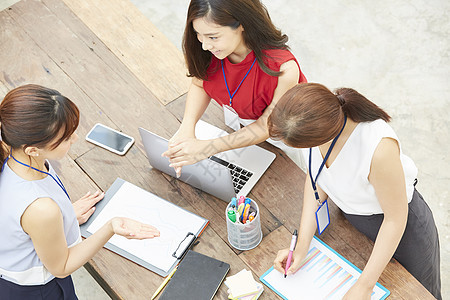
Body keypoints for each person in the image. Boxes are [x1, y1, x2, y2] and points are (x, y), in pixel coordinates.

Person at [270, 83, 441, 299]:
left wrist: (364, 286)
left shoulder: (377, 148)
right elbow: (316, 178)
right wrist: (302, 246)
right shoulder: (316, 126)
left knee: (418, 294)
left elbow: (395, 219)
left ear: (322, 135)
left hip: (400, 230)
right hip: (353, 220)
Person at [0, 85, 160, 299]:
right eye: (65, 138)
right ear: (33, 149)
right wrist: (110, 227)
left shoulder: (15, 157)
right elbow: (62, 266)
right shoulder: (41, 209)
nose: (74, 139)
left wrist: (65, 217)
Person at [162, 0, 308, 176]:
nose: (205, 45)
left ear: (241, 24)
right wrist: (186, 129)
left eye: (213, 37)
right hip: (243, 129)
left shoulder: (283, 68)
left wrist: (206, 149)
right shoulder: (209, 52)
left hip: (287, 137)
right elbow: (199, 84)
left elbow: (265, 126)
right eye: (198, 34)